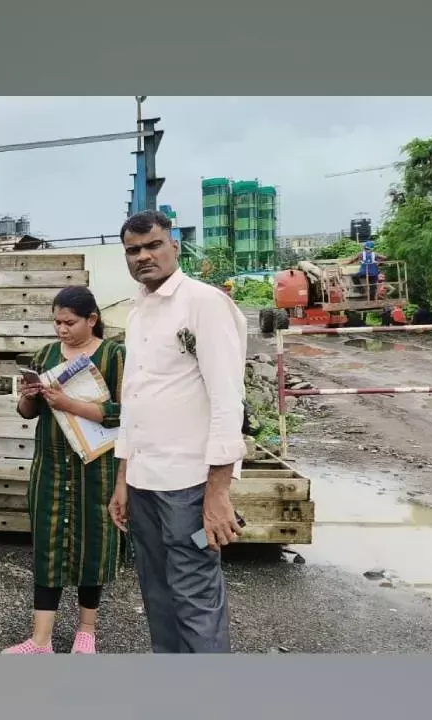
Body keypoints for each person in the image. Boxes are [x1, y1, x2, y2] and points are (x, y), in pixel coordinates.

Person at [107, 209, 247, 654]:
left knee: (195, 596)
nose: (143, 256)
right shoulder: (138, 312)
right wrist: (122, 480)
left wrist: (219, 492)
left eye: (153, 246)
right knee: (158, 595)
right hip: (145, 482)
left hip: (189, 484)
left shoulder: (204, 304)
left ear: (175, 247)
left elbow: (227, 401)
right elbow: (135, 400)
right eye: (133, 250)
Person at [2, 285, 126, 655]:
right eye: (56, 322)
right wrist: (28, 397)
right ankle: (40, 640)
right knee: (48, 546)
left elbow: (126, 413)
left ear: (92, 319)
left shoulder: (114, 355)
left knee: (92, 545)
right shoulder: (46, 354)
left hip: (96, 466)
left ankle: (86, 634)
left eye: (69, 322)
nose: (61, 330)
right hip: (52, 465)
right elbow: (29, 414)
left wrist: (69, 403)